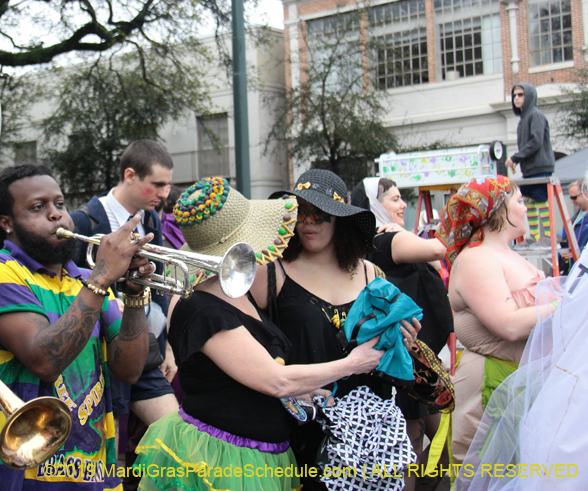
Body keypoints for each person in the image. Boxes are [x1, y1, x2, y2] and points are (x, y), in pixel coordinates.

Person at [134, 176, 388, 491]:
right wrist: (353, 363)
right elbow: (275, 380)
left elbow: (247, 379)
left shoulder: (233, 291)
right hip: (224, 461)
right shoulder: (201, 307)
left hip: (260, 452)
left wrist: (301, 392)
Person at [0, 164, 151, 490]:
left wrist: (135, 296)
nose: (56, 215)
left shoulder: (85, 280)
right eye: (38, 207)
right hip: (17, 479)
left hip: (97, 478)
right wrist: (102, 278)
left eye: (60, 204)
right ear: (7, 223)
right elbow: (45, 361)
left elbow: (130, 370)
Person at [250, 169, 421, 491]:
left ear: (340, 218)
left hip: (368, 426)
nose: (308, 222)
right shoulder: (270, 273)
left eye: (319, 213)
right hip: (303, 424)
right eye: (301, 211)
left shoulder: (371, 273)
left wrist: (404, 339)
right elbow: (238, 333)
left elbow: (386, 345)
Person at [69, 140, 178, 476]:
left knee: (178, 440)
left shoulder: (152, 220)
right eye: (157, 184)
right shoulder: (84, 221)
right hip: (102, 357)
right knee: (106, 460)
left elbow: (158, 287)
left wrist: (167, 347)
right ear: (130, 175)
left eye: (167, 185)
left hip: (145, 352)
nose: (165, 193)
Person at [435, 176, 557, 463]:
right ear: (497, 209)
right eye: (520, 201)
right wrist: (564, 304)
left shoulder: (505, 254)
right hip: (492, 392)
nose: (526, 208)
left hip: (517, 386)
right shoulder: (477, 259)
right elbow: (509, 325)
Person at [351, 178, 451, 491]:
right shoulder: (387, 240)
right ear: (375, 207)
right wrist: (405, 234)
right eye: (394, 199)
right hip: (404, 359)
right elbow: (440, 248)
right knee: (413, 445)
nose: (403, 205)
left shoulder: (391, 239)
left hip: (415, 357)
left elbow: (437, 263)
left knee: (440, 441)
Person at [504, 83, 555, 246]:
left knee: (540, 199)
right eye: (514, 95)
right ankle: (534, 236)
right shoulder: (523, 120)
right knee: (528, 201)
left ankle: (548, 236)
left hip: (540, 167)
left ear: (530, 96)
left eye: (520, 95)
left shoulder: (535, 115)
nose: (516, 98)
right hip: (530, 169)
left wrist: (516, 158)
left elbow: (536, 141)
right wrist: (518, 159)